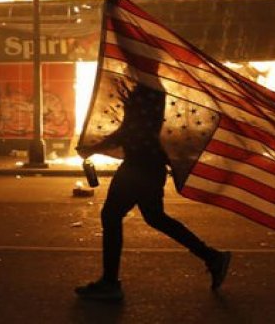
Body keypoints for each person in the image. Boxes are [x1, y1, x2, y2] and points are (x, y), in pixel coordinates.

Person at [75, 84, 231, 301]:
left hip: (139, 166)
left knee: (111, 215)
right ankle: (211, 256)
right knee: (155, 217)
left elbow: (130, 131)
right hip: (149, 165)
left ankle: (110, 283)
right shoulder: (150, 88)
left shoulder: (147, 90)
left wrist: (94, 147)